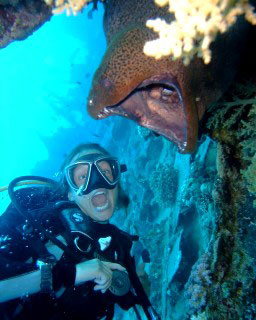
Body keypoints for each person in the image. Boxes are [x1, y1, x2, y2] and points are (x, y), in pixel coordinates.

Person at [0, 143, 159, 320]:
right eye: (83, 176)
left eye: (106, 172)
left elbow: (130, 299)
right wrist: (71, 274)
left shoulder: (118, 247)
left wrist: (139, 279)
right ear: (70, 193)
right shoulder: (40, 223)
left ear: (117, 183)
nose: (97, 182)